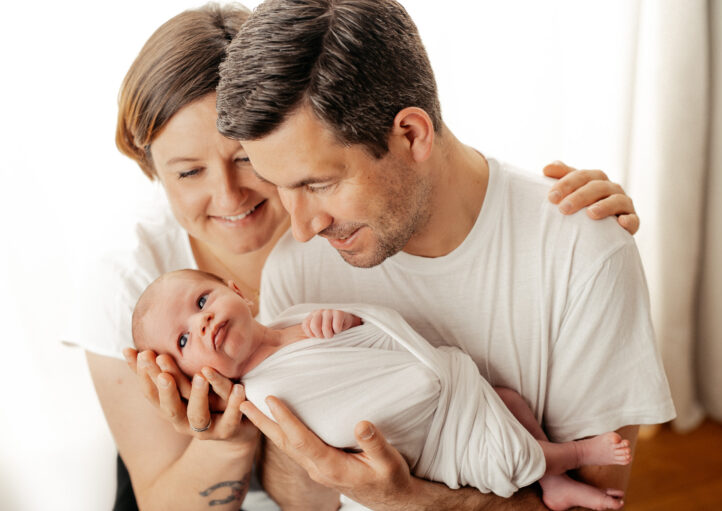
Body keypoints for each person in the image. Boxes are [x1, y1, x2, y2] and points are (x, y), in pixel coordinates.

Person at [76, 3, 643, 510]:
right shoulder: (141, 279)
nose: (230, 197)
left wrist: (571, 229)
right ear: (155, 175)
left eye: (247, 160)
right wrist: (227, 436)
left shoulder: (356, 231)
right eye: (189, 171)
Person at [132, 268, 633, 510]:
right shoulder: (263, 398)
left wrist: (344, 320)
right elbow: (334, 417)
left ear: (236, 290)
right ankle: (570, 456)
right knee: (505, 457)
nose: (202, 324)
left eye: (202, 300)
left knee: (512, 402)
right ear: (193, 377)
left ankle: (553, 483)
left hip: (456, 388)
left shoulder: (295, 316)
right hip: (427, 436)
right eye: (183, 339)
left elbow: (372, 335)